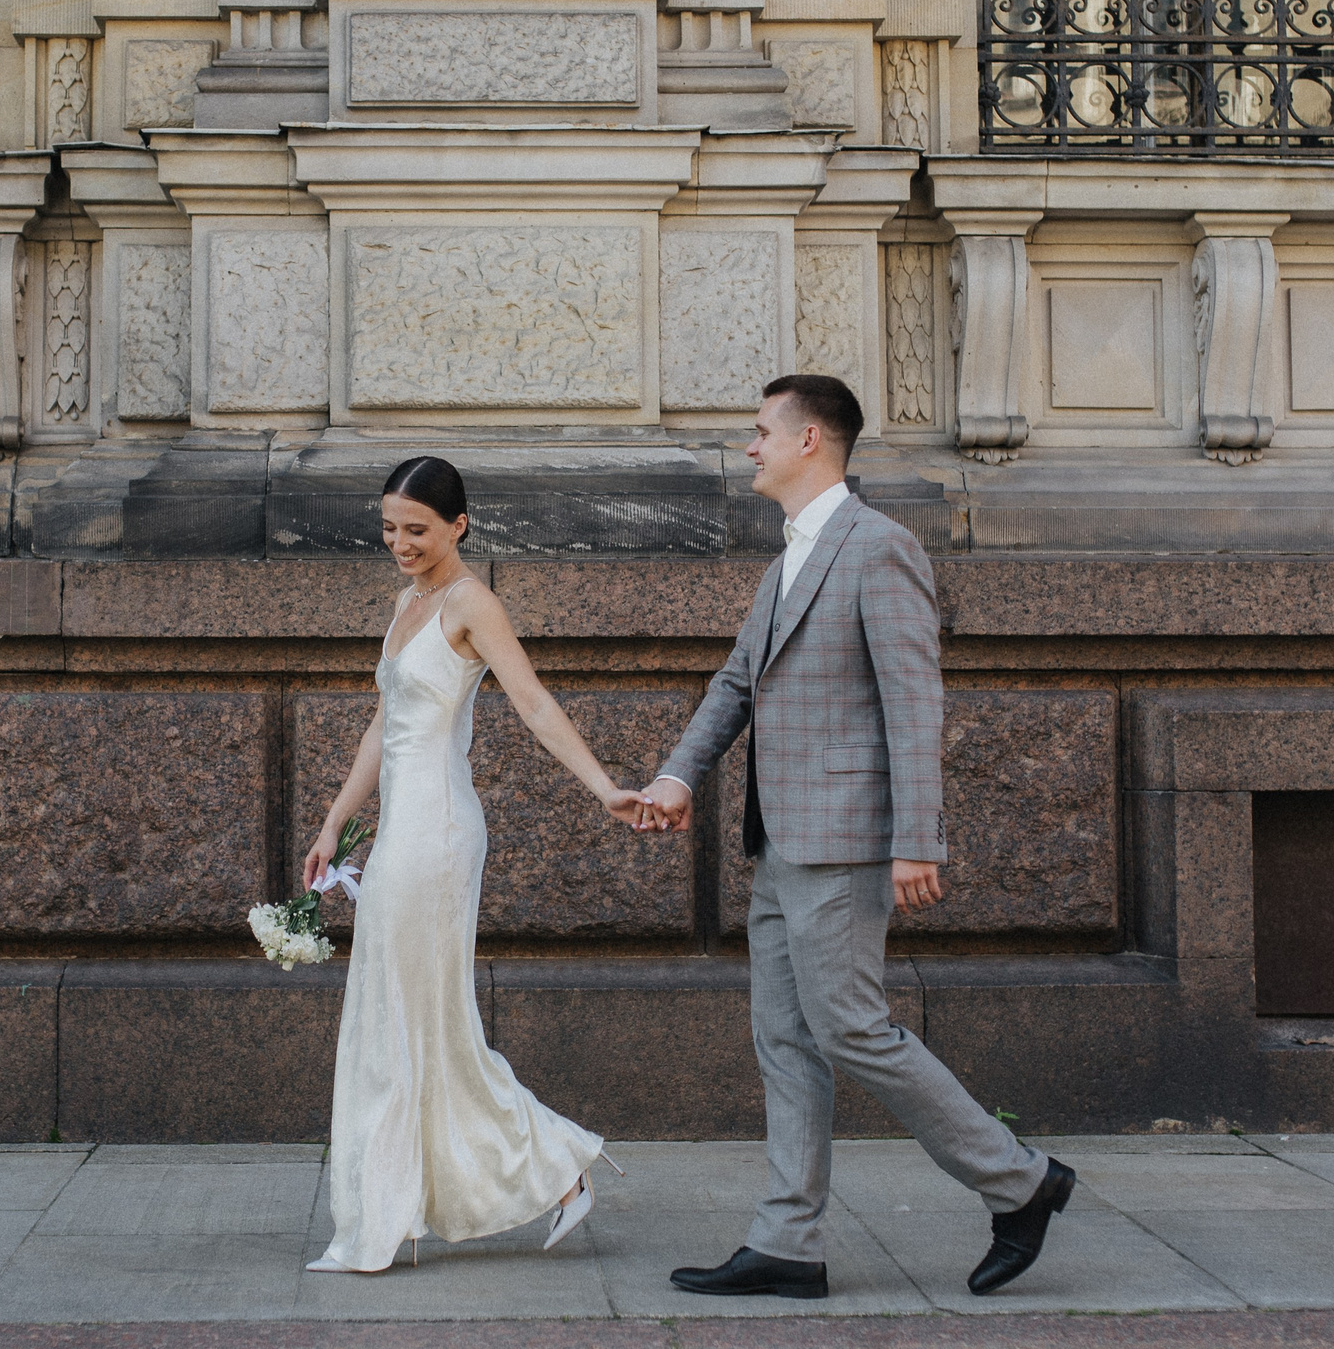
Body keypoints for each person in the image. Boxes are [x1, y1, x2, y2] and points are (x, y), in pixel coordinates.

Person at [632, 374, 1075, 1300]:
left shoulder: (880, 549)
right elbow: (734, 687)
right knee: (786, 1042)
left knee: (854, 1030)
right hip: (778, 844)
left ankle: (1020, 1182)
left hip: (846, 843)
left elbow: (916, 703)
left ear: (809, 441)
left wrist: (919, 837)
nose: (748, 447)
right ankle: (788, 1243)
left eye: (760, 432)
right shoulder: (787, 558)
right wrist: (678, 777)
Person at [301, 454, 646, 1274]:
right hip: (399, 833)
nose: (400, 543)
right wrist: (333, 822)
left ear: (459, 525)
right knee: (401, 1020)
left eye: (416, 529)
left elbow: (532, 701)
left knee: (426, 1022)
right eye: (389, 528)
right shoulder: (404, 605)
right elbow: (384, 730)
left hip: (441, 833)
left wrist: (604, 788)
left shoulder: (470, 603)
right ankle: (413, 1200)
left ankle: (548, 1166)